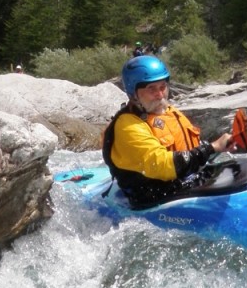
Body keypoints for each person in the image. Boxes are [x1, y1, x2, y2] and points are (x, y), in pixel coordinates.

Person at [102, 54, 239, 208]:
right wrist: (211, 148)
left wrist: (218, 148)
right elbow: (163, 165)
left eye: (162, 87)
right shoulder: (127, 126)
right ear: (134, 93)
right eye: (151, 89)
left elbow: (190, 149)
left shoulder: (167, 112)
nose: (160, 95)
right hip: (153, 199)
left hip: (184, 184)